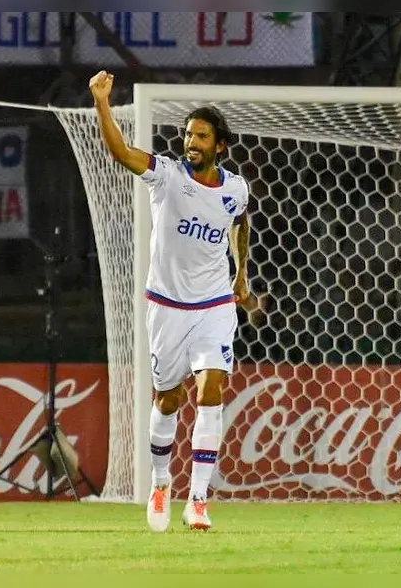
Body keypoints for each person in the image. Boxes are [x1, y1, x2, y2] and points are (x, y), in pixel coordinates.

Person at [90, 70, 254, 532]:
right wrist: (103, 101)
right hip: (165, 305)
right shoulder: (165, 176)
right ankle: (161, 482)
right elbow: (120, 152)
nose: (191, 141)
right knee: (168, 398)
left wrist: (241, 275)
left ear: (220, 145)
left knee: (213, 385)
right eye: (187, 134)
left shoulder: (235, 189)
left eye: (201, 135)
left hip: (214, 305)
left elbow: (241, 221)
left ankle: (198, 498)